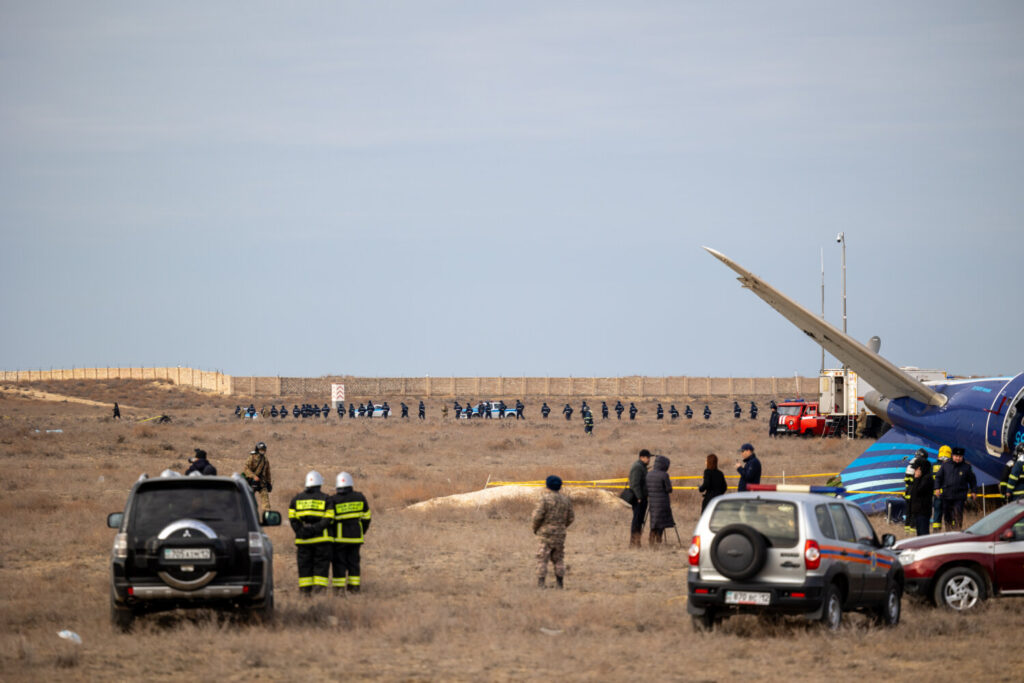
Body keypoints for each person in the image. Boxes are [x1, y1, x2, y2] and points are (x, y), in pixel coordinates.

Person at [288, 471, 333, 594]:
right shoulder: (326, 499)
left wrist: (302, 531)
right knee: (321, 567)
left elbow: (293, 519)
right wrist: (315, 529)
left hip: (303, 541)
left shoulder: (296, 499)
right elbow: (328, 519)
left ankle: (304, 593)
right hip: (322, 540)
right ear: (319, 484)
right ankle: (319, 593)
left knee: (304, 567)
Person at [327, 472, 372, 593]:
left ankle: (339, 590)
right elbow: (367, 517)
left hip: (339, 539)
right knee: (354, 564)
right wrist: (361, 531)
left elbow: (328, 520)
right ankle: (354, 588)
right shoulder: (360, 497)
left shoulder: (333, 500)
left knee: (339, 564)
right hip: (356, 538)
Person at [532, 475, 574, 589]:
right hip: (560, 534)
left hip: (545, 534)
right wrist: (561, 527)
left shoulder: (544, 499)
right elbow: (571, 517)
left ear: (547, 485)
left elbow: (537, 516)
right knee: (559, 559)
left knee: (542, 559)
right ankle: (560, 583)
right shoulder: (566, 500)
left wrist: (535, 528)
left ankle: (541, 584)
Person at [934, 447, 977, 531]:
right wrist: (937, 488)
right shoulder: (945, 465)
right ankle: (948, 532)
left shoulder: (967, 467)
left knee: (958, 515)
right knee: (947, 517)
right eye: (956, 456)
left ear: (962, 457)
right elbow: (938, 477)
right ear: (952, 456)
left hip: (959, 497)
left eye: (960, 456)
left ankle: (957, 532)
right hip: (947, 495)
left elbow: (973, 481)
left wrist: (974, 491)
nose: (958, 458)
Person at [645, 455, 674, 547]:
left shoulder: (648, 474)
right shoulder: (664, 475)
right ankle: (659, 540)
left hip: (652, 502)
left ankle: (651, 541)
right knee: (662, 522)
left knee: (654, 521)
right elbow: (669, 489)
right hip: (663, 502)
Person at [626, 449, 651, 548]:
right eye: (647, 457)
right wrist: (639, 497)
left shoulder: (642, 467)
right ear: (642, 457)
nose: (649, 459)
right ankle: (633, 543)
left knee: (640, 520)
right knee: (636, 521)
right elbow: (634, 484)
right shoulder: (637, 467)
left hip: (642, 498)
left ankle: (637, 542)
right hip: (638, 499)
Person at [907, 454, 934, 536]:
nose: (915, 471)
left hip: (923, 511)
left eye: (916, 469)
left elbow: (918, 491)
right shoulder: (921, 478)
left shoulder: (927, 479)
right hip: (918, 511)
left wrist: (917, 478)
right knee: (919, 534)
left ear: (921, 468)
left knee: (923, 534)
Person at [243, 441, 273, 512]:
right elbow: (246, 468)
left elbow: (268, 473)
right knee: (249, 498)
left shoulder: (265, 460)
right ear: (257, 449)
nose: (262, 451)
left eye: (263, 450)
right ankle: (246, 512)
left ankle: (267, 513)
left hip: (261, 482)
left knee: (266, 500)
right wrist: (253, 476)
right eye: (261, 450)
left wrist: (269, 483)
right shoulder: (252, 457)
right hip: (251, 482)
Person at [931, 445, 951, 531]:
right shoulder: (949, 466)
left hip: (936, 494)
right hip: (947, 494)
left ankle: (936, 530)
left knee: (937, 512)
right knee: (948, 513)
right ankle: (949, 530)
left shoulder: (933, 466)